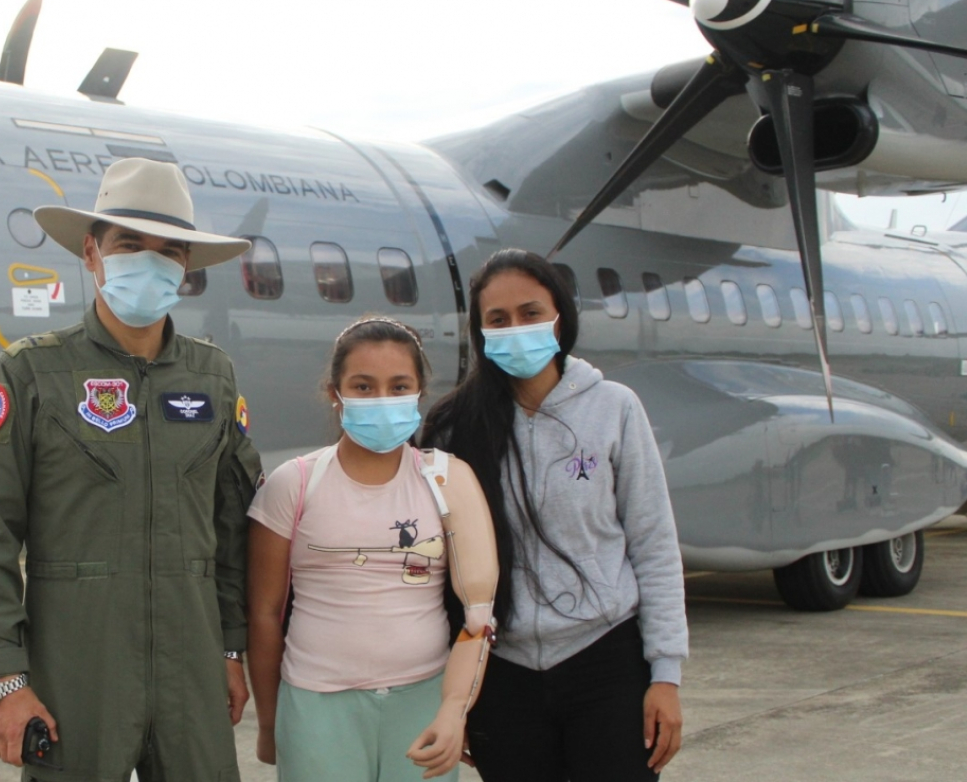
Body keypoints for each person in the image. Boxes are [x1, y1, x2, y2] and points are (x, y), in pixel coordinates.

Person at [0, 158, 264, 782]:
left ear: (186, 269)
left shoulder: (213, 377)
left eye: (169, 251)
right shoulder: (30, 374)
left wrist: (232, 649)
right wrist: (7, 680)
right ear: (91, 254)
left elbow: (234, 528)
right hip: (77, 675)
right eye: (129, 245)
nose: (150, 262)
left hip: (192, 674)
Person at [421, 248, 688, 780]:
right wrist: (456, 697)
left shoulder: (614, 408)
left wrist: (665, 674)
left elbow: (653, 543)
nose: (515, 328)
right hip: (502, 670)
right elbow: (441, 568)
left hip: (606, 661)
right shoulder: (454, 429)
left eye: (530, 312)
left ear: (560, 317)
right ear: (480, 331)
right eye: (498, 320)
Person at [246, 316, 498, 782]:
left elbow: (479, 618)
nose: (382, 399)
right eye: (363, 386)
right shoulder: (293, 484)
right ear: (334, 393)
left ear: (420, 393)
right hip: (316, 708)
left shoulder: (448, 479)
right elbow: (264, 614)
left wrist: (452, 712)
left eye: (399, 385)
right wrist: (269, 723)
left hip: (422, 701)